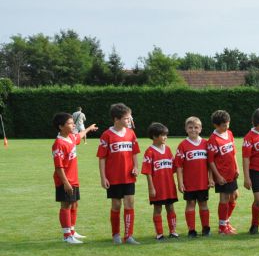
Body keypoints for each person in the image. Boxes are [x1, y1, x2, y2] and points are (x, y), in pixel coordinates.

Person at [51, 112, 98, 243]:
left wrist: (88, 128)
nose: (73, 125)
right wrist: (65, 183)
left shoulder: (71, 137)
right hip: (65, 180)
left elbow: (79, 136)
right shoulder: (58, 144)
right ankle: (67, 236)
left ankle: (72, 230)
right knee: (65, 205)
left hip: (74, 178)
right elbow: (58, 167)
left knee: (74, 203)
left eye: (73, 122)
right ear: (61, 126)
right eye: (70, 123)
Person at [98, 102, 140, 244]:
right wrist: (103, 177)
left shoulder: (131, 134)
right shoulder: (106, 135)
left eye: (130, 118)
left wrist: (136, 167)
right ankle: (116, 234)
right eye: (127, 119)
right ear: (116, 119)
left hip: (129, 176)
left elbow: (134, 153)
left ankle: (128, 236)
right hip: (114, 178)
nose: (130, 121)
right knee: (116, 205)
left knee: (130, 203)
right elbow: (102, 158)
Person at [175, 116, 212, 237]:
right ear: (186, 129)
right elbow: (179, 167)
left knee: (203, 203)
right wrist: (180, 183)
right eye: (190, 127)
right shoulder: (182, 145)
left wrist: (211, 178)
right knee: (190, 204)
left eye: (196, 127)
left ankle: (206, 228)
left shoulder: (206, 144)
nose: (193, 130)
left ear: (200, 129)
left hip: (202, 182)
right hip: (189, 182)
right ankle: (191, 230)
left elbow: (210, 164)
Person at [142, 122, 178, 241]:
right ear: (154, 136)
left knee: (170, 207)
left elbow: (173, 168)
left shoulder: (167, 150)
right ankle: (159, 233)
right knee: (157, 208)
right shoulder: (149, 152)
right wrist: (151, 188)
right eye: (163, 135)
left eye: (166, 135)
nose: (165, 137)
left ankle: (173, 231)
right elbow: (147, 172)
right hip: (157, 187)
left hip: (169, 186)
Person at [207, 110, 240, 235]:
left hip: (232, 173)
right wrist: (218, 176)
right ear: (216, 125)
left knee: (234, 196)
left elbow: (233, 153)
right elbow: (210, 161)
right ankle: (222, 227)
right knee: (225, 198)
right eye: (223, 125)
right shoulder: (213, 139)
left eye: (228, 124)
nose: (226, 127)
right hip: (222, 175)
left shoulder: (230, 134)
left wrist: (237, 168)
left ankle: (226, 222)